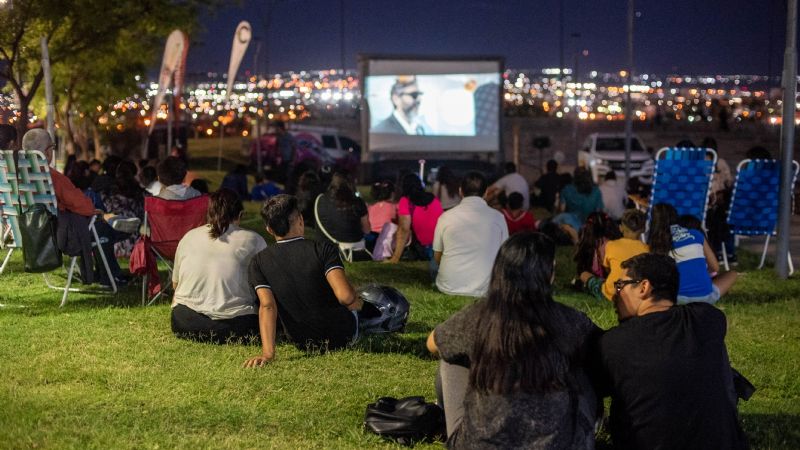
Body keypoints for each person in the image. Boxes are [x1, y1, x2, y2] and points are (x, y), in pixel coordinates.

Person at [427, 232, 600, 447]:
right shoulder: (570, 320)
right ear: (548, 274)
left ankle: (446, 415)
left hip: (480, 444)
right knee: (585, 363)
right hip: (558, 444)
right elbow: (604, 356)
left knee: (450, 358)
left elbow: (432, 343)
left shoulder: (479, 317)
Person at [597, 253, 747, 449]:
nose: (615, 295)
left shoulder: (613, 343)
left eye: (620, 286)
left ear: (643, 287)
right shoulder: (708, 319)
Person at [244, 194, 363, 366]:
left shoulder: (258, 262)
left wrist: (267, 354)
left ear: (269, 229)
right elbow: (345, 297)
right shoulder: (322, 250)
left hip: (301, 341)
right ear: (300, 219)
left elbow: (267, 306)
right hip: (341, 336)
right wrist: (359, 302)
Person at [170, 188, 267, 343]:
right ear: (240, 215)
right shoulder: (254, 240)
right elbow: (266, 288)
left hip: (184, 321)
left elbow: (176, 285)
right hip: (235, 324)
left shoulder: (189, 236)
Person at [433, 172, 508, 297]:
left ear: (460, 191)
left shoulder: (445, 217)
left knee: (433, 263)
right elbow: (504, 254)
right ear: (485, 192)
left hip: (449, 286)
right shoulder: (498, 218)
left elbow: (437, 257)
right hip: (487, 287)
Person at [647, 203, 737, 304]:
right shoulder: (695, 234)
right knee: (732, 274)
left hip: (674, 299)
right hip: (705, 298)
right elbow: (715, 268)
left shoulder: (656, 244)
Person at [578, 209, 649, 302]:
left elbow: (608, 269)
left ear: (621, 227)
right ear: (643, 229)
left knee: (584, 275)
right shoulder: (647, 249)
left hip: (610, 294)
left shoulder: (611, 245)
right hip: (634, 296)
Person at [387, 173, 443, 263]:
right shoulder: (434, 199)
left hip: (422, 249)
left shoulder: (405, 201)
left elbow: (403, 230)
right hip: (439, 247)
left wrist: (395, 258)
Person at [313, 172, 370, 244]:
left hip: (325, 248)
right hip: (352, 247)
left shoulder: (320, 199)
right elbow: (367, 230)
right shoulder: (357, 202)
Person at [552, 168, 604, 234]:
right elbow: (599, 211)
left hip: (573, 225)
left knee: (561, 218)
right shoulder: (596, 191)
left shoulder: (567, 189)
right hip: (590, 227)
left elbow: (562, 210)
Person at [573, 211, 621, 282]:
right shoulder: (617, 242)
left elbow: (581, 270)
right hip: (619, 280)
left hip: (606, 283)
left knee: (583, 275)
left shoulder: (588, 244)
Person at [366, 179, 396, 249]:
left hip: (373, 241)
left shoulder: (370, 208)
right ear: (392, 193)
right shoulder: (395, 207)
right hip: (388, 241)